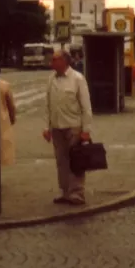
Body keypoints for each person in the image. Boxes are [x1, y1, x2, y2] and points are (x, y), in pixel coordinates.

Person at [43, 51, 92, 205]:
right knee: (61, 161)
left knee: (76, 161)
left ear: (64, 62)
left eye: (55, 60)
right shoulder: (51, 79)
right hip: (57, 127)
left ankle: (77, 193)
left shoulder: (77, 78)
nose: (52, 62)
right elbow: (47, 104)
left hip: (73, 126)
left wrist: (86, 130)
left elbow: (86, 106)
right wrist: (47, 127)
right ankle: (65, 192)